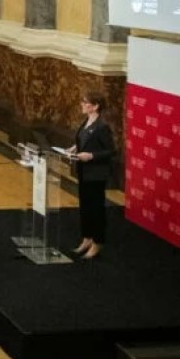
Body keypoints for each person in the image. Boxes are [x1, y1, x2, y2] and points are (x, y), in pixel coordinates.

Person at [70, 90, 116, 260]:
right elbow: (84, 139)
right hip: (83, 172)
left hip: (96, 174)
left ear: (95, 106)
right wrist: (75, 148)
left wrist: (91, 156)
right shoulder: (86, 122)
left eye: (85, 102)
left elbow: (111, 151)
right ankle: (87, 238)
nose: (82, 104)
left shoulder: (102, 127)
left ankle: (98, 241)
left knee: (95, 209)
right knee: (85, 207)